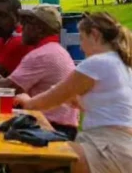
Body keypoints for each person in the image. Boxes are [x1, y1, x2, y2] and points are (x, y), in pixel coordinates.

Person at [16, 12, 132, 173]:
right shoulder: (123, 66)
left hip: (105, 148)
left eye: (82, 39)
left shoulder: (97, 62)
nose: (80, 47)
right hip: (119, 147)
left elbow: (52, 98)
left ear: (95, 35)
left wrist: (27, 101)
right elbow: (108, 106)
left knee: (24, 158)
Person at [0, 5, 79, 139]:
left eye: (26, 23)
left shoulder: (41, 55)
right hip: (62, 126)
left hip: (51, 127)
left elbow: (5, 88)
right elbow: (14, 85)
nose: (22, 28)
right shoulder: (56, 50)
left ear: (39, 29)